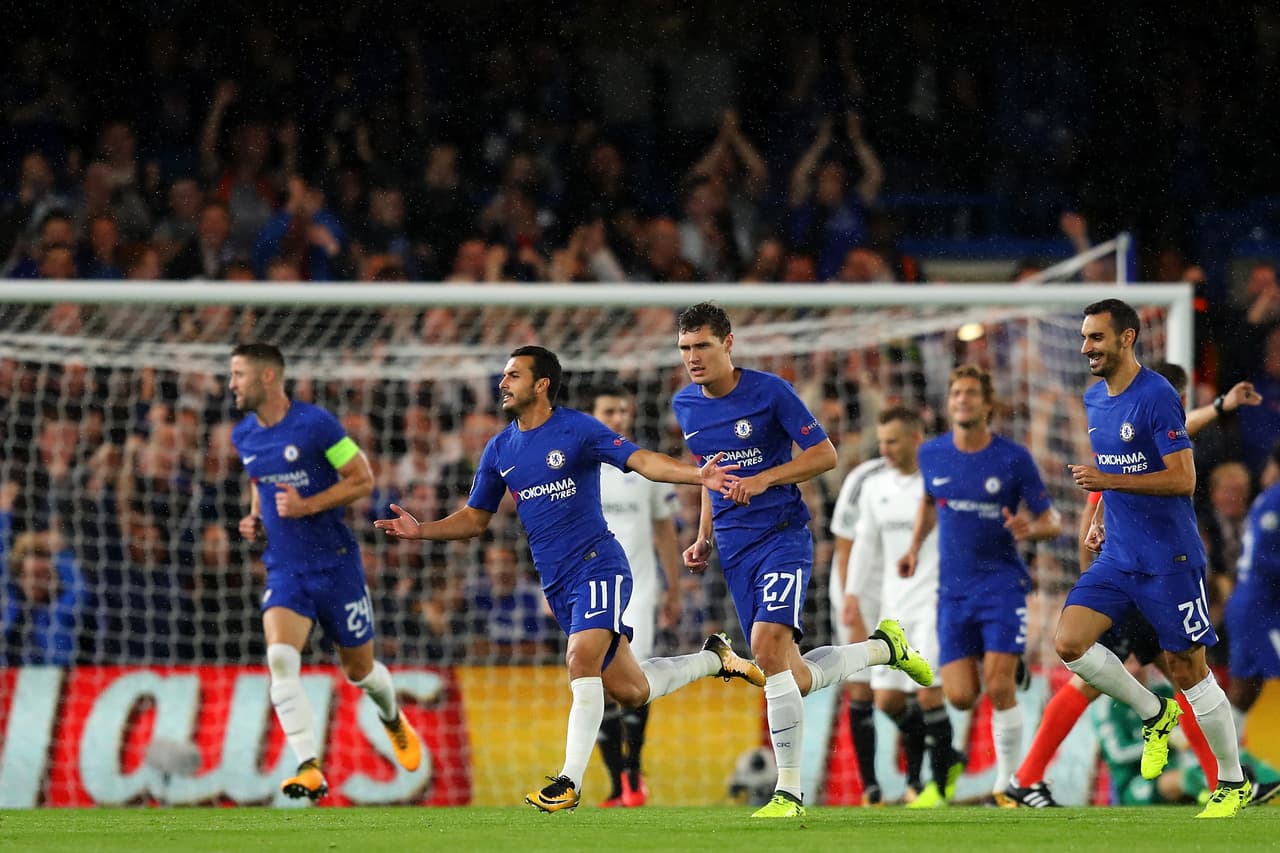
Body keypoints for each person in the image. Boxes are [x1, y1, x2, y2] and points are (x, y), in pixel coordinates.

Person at [375, 345, 762, 814]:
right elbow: (476, 519)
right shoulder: (500, 448)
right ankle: (713, 658)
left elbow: (642, 461)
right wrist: (422, 532)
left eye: (513, 375)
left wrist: (696, 476)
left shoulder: (577, 429)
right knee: (632, 690)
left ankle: (568, 782)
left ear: (541, 384)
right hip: (557, 585)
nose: (503, 383)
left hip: (598, 564)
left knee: (579, 658)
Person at [672, 302, 933, 819]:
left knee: (768, 654)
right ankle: (883, 648)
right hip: (733, 546)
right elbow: (709, 474)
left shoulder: (770, 391)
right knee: (788, 672)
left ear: (728, 343)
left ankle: (788, 793)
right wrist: (703, 535)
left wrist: (764, 479)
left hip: (782, 534)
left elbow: (826, 454)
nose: (693, 358)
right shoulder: (685, 404)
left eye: (702, 346)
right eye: (684, 349)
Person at [1008, 363, 1262, 807]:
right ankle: (1025, 778)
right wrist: (1096, 577)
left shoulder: (1157, 435)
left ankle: (1224, 781)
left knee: (1185, 677)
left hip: (1157, 573)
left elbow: (1186, 429)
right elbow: (1096, 508)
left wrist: (1222, 405)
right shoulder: (1128, 442)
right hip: (1127, 581)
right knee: (1092, 673)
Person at [1060, 298, 1250, 818]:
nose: (1086, 348)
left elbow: (1182, 479)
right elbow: (1112, 472)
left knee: (1189, 669)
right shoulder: (1095, 399)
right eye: (1083, 337)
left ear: (1126, 338)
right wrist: (1099, 516)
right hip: (1119, 554)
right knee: (1070, 642)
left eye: (1096, 337)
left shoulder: (1157, 395)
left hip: (1170, 557)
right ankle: (1153, 712)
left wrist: (1107, 482)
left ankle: (1232, 782)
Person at [229, 343, 422, 801]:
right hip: (285, 569)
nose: (232, 384)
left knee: (360, 671)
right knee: (280, 659)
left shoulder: (316, 424)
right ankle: (308, 765)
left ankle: (392, 718)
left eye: (238, 374)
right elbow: (260, 483)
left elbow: (363, 478)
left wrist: (305, 505)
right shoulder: (244, 435)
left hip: (336, 566)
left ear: (268, 377)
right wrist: (255, 517)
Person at [899, 364, 1062, 806]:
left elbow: (1053, 520)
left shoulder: (1013, 458)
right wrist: (914, 546)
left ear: (988, 404)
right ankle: (1012, 665)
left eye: (971, 392)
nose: (962, 399)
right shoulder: (931, 454)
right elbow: (930, 501)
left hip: (1002, 586)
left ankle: (1008, 783)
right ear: (948, 402)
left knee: (999, 687)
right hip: (952, 592)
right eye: (956, 393)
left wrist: (1033, 529)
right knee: (961, 696)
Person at [848, 407, 963, 808]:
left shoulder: (939, 480)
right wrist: (851, 595)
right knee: (888, 702)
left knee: (929, 693)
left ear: (916, 438)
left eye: (893, 440)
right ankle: (949, 758)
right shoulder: (875, 486)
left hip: (933, 599)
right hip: (891, 605)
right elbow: (864, 545)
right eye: (882, 441)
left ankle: (937, 785)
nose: (885, 449)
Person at [588, 385, 684, 808]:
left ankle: (632, 774)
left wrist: (674, 587)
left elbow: (664, 529)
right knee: (597, 686)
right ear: (592, 415)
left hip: (639, 591)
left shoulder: (643, 466)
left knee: (633, 683)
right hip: (591, 590)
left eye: (624, 410)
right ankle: (618, 783)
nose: (619, 417)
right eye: (610, 410)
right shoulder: (579, 467)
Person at [828, 453, 891, 805]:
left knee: (901, 693)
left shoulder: (931, 476)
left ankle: (920, 778)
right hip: (860, 594)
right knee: (863, 688)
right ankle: (871, 787)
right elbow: (844, 546)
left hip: (904, 594)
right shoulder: (862, 478)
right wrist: (851, 605)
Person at [1225, 439, 1280, 806]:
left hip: (1257, 606)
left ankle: (1218, 767)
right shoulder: (1274, 499)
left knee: (1245, 690)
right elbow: (1264, 561)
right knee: (1245, 689)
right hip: (1258, 609)